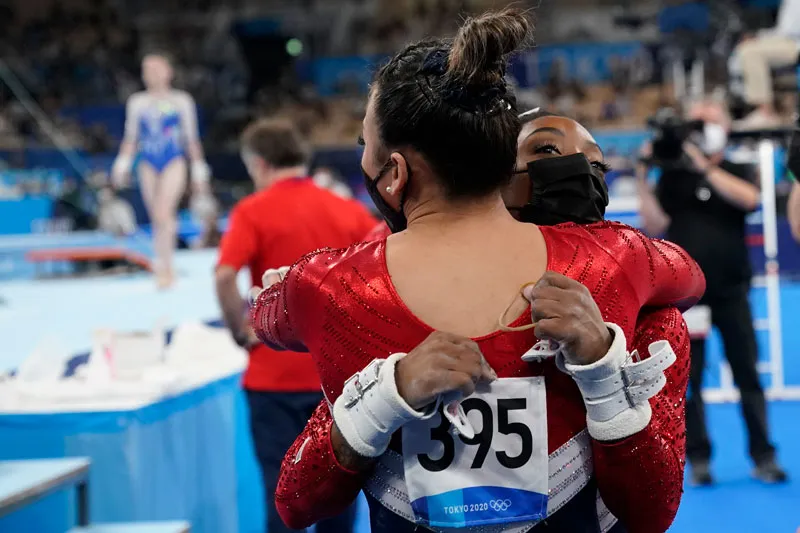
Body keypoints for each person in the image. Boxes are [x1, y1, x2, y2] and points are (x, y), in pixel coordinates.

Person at [252, 9, 704, 533]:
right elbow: (689, 277)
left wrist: (378, 400)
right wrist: (603, 369)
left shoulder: (330, 285)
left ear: (394, 174)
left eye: (364, 145)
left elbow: (295, 502)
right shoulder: (612, 258)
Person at [214, 118, 375, 533]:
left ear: (258, 164)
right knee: (338, 500)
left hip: (273, 378)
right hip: (338, 377)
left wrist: (240, 333)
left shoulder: (253, 210)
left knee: (279, 498)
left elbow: (225, 275)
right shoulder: (348, 210)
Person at [637, 98, 787, 485]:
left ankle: (763, 454)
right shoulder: (673, 177)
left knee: (748, 376)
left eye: (708, 123)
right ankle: (699, 459)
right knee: (689, 383)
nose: (701, 132)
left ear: (724, 128)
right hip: (689, 302)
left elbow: (750, 199)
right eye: (695, 124)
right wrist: (642, 176)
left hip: (732, 293)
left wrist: (704, 166)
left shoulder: (736, 168)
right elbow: (655, 225)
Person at [112, 52, 211, 289]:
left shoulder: (181, 101)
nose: (152, 74)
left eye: (157, 69)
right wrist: (122, 164)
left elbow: (190, 139)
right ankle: (163, 264)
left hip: (174, 160)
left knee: (164, 211)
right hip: (147, 162)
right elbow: (131, 138)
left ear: (169, 72)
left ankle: (166, 266)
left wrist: (198, 169)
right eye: (147, 70)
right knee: (157, 217)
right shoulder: (137, 102)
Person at [730, 0, 800, 128]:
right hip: (787, 40)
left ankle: (765, 113)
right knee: (744, 48)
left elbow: (789, 32)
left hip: (795, 44)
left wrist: (759, 37)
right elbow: (783, 30)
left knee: (750, 52)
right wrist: (758, 36)